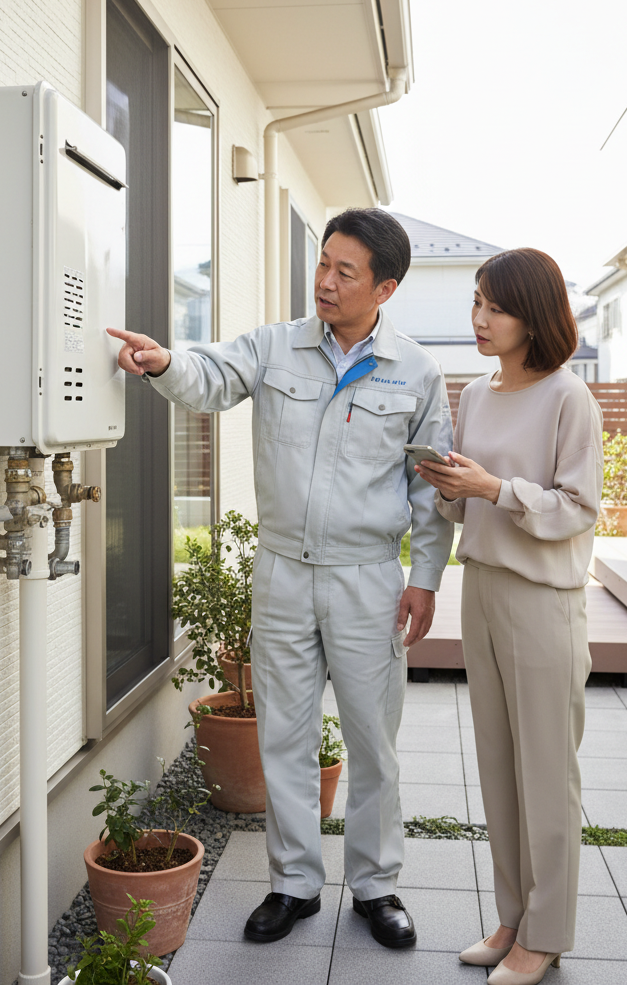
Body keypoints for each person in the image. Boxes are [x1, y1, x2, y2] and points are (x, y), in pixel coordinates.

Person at [108, 208, 454, 949]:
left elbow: (430, 488)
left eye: (344, 272)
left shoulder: (417, 372)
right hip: (284, 573)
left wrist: (425, 577)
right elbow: (209, 376)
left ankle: (376, 885)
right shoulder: (274, 347)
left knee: (374, 740)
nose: (324, 281)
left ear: (384, 289)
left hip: (368, 578)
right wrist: (165, 364)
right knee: (285, 736)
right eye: (323, 263)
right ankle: (293, 882)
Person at [415, 248, 602, 985]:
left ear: (535, 316)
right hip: (484, 590)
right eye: (477, 302)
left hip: (543, 600)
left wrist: (495, 488)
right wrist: (449, 486)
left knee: (547, 772)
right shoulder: (475, 394)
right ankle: (513, 918)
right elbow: (467, 506)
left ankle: (546, 934)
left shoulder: (568, 397)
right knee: (496, 765)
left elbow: (578, 509)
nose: (480, 318)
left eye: (496, 307)